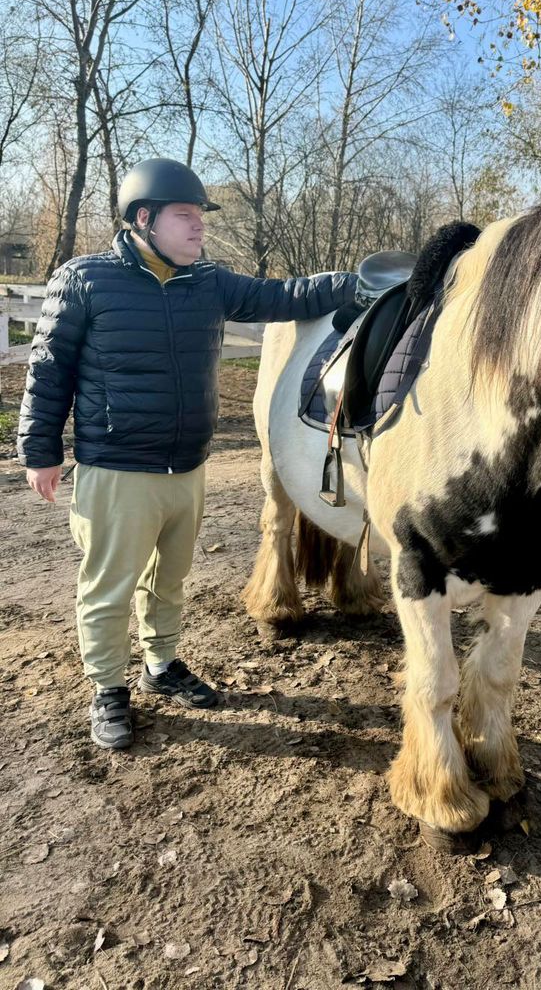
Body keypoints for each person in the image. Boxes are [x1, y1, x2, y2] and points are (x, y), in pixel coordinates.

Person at [17, 158, 356, 750]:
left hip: (188, 466)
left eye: (200, 214)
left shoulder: (209, 282)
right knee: (108, 587)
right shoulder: (85, 279)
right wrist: (39, 450)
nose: (199, 225)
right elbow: (48, 370)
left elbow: (285, 295)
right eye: (185, 215)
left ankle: (161, 664)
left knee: (168, 580)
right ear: (143, 219)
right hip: (117, 468)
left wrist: (363, 281)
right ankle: (108, 689)